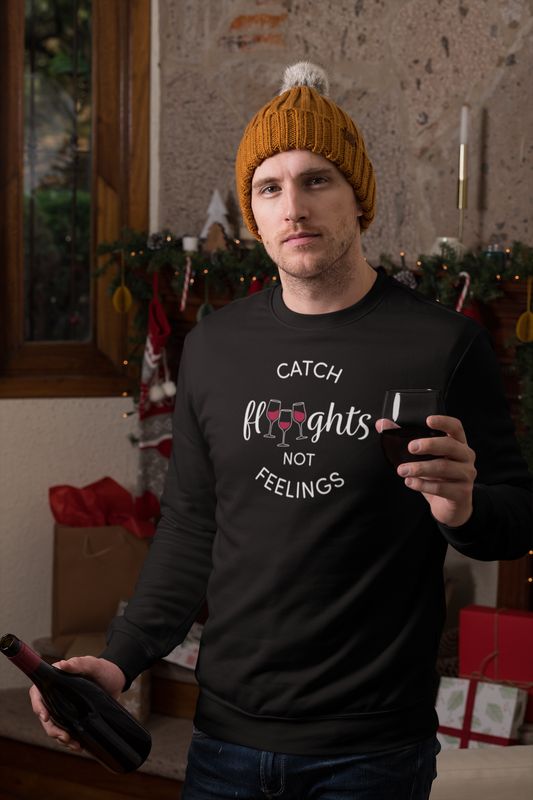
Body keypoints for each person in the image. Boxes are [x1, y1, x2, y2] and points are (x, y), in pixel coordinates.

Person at [31, 62, 532, 799]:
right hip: (224, 742)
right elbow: (189, 527)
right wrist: (120, 658)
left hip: (371, 753)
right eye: (269, 188)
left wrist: (463, 510)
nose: (293, 207)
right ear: (253, 215)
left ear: (357, 198)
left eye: (316, 180)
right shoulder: (214, 346)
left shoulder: (442, 345)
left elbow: (516, 517)